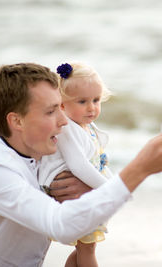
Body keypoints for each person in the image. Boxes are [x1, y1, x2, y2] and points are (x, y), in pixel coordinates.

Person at [0, 62, 162, 267]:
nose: (64, 121)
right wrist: (139, 169)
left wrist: (88, 189)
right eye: (51, 111)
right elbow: (60, 225)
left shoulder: (44, 159)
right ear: (17, 121)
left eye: (61, 107)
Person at [39, 62, 114, 267]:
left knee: (84, 248)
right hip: (75, 197)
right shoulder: (68, 128)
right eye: (82, 101)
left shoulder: (86, 125)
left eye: (96, 100)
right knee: (87, 249)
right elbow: (78, 165)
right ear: (62, 104)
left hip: (86, 195)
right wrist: (110, 189)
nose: (92, 108)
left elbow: (98, 161)